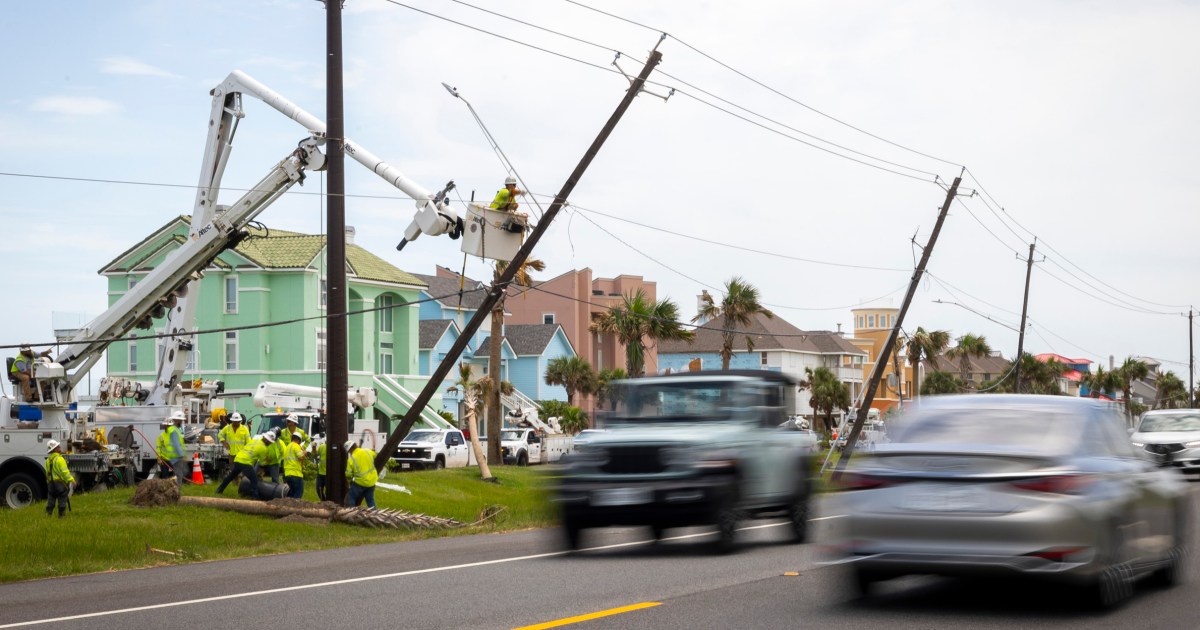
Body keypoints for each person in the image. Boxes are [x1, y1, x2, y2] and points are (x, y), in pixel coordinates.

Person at [217, 431, 274, 499]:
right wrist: (268, 460)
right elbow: (262, 462)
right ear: (267, 440)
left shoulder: (254, 440)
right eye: (270, 442)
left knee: (230, 477)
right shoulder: (263, 448)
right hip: (246, 463)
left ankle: (219, 490)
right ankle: (255, 497)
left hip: (238, 459)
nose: (270, 443)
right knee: (254, 480)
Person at [44, 440, 75, 518]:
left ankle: (48, 515)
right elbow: (65, 472)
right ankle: (61, 516)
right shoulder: (60, 459)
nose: (60, 447)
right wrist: (72, 480)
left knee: (51, 500)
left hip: (51, 484)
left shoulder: (48, 460)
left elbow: (47, 473)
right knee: (62, 499)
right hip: (60, 484)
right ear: (55, 449)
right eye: (58, 447)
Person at [345, 440, 378, 509]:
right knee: (370, 500)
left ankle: (352, 514)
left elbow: (348, 474)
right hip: (372, 481)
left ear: (350, 450)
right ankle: (374, 514)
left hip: (360, 483)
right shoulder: (367, 451)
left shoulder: (351, 459)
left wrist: (350, 480)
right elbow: (375, 454)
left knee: (351, 497)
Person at [155, 413, 186, 483]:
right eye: (166, 426)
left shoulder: (174, 433)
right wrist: (159, 458)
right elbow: (158, 448)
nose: (167, 427)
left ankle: (173, 488)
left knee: (176, 475)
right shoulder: (161, 436)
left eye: (168, 426)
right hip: (164, 459)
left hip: (173, 459)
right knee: (165, 476)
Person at [282, 433, 307, 499]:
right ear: (298, 440)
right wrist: (304, 452)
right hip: (296, 474)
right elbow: (301, 457)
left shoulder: (287, 447)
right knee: (298, 493)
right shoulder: (296, 446)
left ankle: (288, 508)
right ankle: (295, 508)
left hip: (287, 474)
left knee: (290, 494)